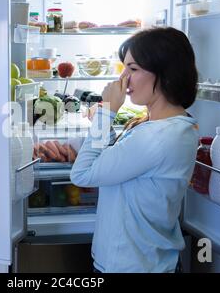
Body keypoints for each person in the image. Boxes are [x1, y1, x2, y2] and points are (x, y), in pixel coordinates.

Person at [70, 27, 199, 273]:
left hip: (132, 265)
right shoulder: (166, 126)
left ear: (165, 73)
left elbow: (82, 174)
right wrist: (103, 119)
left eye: (133, 69)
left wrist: (106, 112)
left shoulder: (156, 137)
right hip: (144, 261)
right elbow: (115, 160)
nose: (123, 78)